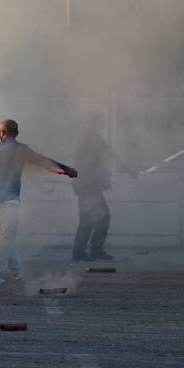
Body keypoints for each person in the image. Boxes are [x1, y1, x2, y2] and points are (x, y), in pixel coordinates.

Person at [0, 119, 77, 284]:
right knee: (6, 237)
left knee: (3, 238)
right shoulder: (20, 149)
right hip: (8, 199)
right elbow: (43, 161)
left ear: (2, 133)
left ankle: (18, 271)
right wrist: (66, 170)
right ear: (16, 133)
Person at [71, 112, 136, 262]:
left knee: (94, 218)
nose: (100, 126)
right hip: (88, 186)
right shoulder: (92, 138)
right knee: (97, 218)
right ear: (94, 123)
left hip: (87, 185)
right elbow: (112, 154)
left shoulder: (86, 137)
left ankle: (87, 251)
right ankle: (87, 251)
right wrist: (129, 168)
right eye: (99, 123)